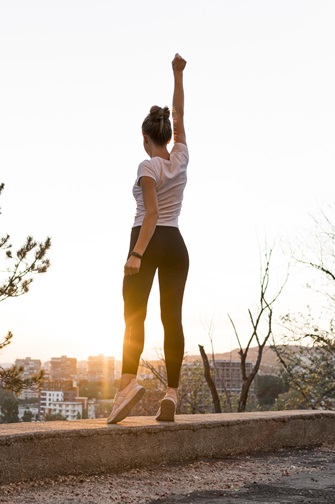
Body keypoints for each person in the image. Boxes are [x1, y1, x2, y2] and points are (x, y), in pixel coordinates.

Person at [107, 53, 189, 424]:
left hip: (148, 238)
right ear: (169, 135)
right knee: (171, 318)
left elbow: (151, 214)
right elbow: (180, 113)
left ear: (144, 137)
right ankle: (171, 395)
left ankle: (126, 388)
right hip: (177, 245)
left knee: (133, 317)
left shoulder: (147, 165)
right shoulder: (181, 157)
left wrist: (136, 254)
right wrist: (177, 74)